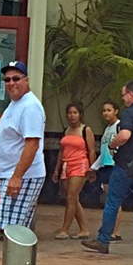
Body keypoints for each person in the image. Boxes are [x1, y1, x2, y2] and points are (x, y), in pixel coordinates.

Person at [0, 60, 46, 265]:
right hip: (12, 174)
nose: (11, 83)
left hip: (21, 176)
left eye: (16, 78)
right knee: (23, 228)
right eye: (7, 80)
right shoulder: (15, 105)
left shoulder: (30, 107)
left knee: (13, 229)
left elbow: (32, 145)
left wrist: (17, 176)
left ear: (26, 80)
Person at [82, 81, 133, 257]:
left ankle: (103, 241)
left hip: (125, 165)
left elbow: (125, 135)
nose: (123, 98)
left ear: (131, 94)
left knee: (112, 203)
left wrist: (112, 143)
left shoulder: (128, 114)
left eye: (124, 95)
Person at [53, 102, 96, 239]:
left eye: (75, 113)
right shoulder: (66, 131)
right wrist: (57, 169)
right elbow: (62, 151)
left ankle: (64, 229)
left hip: (80, 165)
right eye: (70, 113)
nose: (72, 116)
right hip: (66, 165)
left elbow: (91, 150)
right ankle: (84, 229)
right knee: (72, 198)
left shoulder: (86, 130)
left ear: (81, 115)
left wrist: (92, 168)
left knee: (71, 197)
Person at [88, 100, 123, 241]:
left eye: (109, 110)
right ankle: (110, 229)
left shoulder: (119, 126)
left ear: (116, 111)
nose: (106, 113)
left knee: (114, 199)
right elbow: (103, 153)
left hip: (114, 166)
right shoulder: (107, 128)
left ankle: (115, 231)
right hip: (105, 166)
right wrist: (94, 167)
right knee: (109, 199)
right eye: (104, 110)